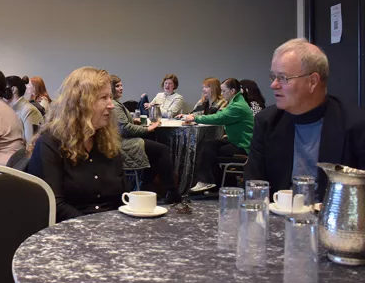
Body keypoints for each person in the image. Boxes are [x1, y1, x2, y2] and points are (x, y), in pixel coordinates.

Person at [245, 38, 365, 199]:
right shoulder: (267, 122)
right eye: (273, 77)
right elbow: (253, 187)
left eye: (283, 78)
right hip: (278, 220)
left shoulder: (355, 125)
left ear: (312, 81)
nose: (273, 85)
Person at [27, 67, 129, 223]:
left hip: (110, 230)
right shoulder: (50, 144)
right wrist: (98, 228)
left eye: (110, 97)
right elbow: (55, 205)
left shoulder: (107, 142)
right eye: (103, 97)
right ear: (81, 103)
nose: (111, 105)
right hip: (69, 232)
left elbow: (122, 197)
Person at [110, 75, 181, 204]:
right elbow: (124, 129)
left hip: (122, 141)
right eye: (117, 86)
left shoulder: (115, 103)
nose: (121, 88)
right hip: (124, 144)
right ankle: (170, 191)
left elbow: (122, 124)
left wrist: (134, 120)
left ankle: (146, 188)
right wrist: (148, 129)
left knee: (155, 154)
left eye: (121, 85)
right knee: (162, 150)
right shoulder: (115, 105)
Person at [186, 78, 254, 192]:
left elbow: (219, 117)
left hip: (243, 145)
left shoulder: (237, 106)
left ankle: (207, 181)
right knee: (209, 146)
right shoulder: (236, 102)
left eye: (223, 91)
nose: (222, 94)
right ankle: (222, 182)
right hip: (236, 140)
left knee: (207, 148)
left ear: (232, 91)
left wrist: (195, 118)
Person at [6, 75, 44, 144]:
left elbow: (31, 144)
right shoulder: (11, 110)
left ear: (14, 89)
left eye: (4, 89)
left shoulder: (29, 111)